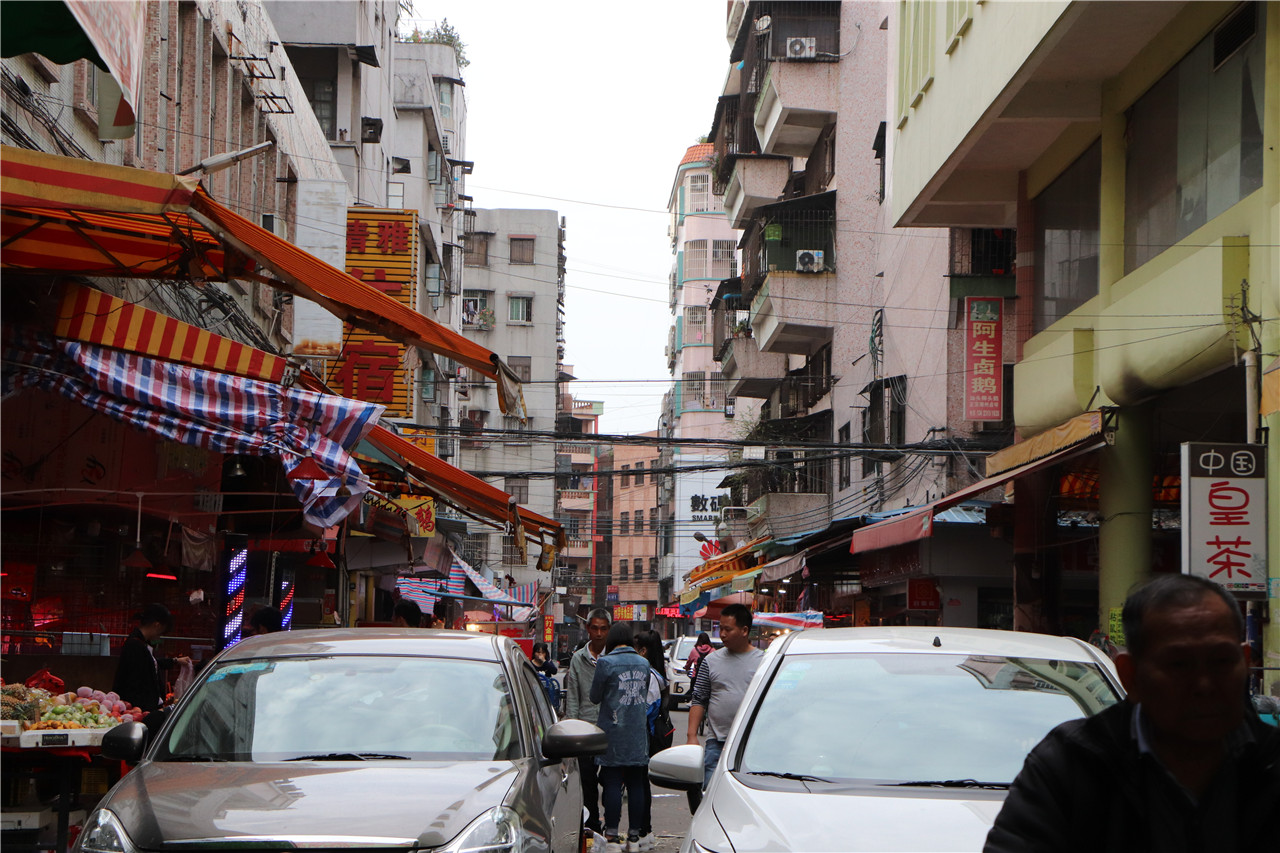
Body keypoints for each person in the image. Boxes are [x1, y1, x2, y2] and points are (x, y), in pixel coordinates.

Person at [985, 574, 1280, 852]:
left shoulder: (1272, 760)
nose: (1204, 685)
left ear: (1244, 662)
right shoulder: (1073, 763)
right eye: (1178, 665)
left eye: (1221, 661)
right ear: (1130, 675)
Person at [686, 604, 764, 799]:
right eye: (720, 628)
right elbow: (699, 699)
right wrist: (691, 736)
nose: (722, 634)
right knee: (711, 795)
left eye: (727, 629)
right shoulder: (711, 661)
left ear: (744, 630)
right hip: (717, 742)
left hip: (752, 744)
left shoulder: (764, 661)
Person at [589, 622, 652, 853]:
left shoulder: (605, 663)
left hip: (612, 731)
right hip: (637, 732)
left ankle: (612, 837)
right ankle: (634, 838)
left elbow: (594, 697)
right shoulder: (644, 663)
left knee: (613, 782)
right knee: (636, 783)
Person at [565, 608, 611, 836]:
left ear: (609, 630)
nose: (599, 633)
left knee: (611, 782)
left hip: (610, 729)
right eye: (595, 628)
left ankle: (611, 827)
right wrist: (571, 729)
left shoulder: (614, 658)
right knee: (587, 783)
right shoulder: (578, 659)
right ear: (588, 629)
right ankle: (592, 825)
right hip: (584, 730)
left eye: (603, 628)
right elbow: (572, 695)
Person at [631, 629, 670, 852]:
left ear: (643, 651)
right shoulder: (651, 674)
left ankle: (644, 831)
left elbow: (646, 709)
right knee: (639, 783)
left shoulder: (650, 676)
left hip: (644, 736)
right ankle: (643, 831)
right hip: (642, 735)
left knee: (640, 784)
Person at [112, 603, 190, 713]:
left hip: (141, 709)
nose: (160, 636)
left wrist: (175, 661)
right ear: (157, 625)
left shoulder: (141, 644)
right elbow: (134, 682)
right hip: (138, 710)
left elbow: (150, 663)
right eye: (162, 631)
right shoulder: (135, 646)